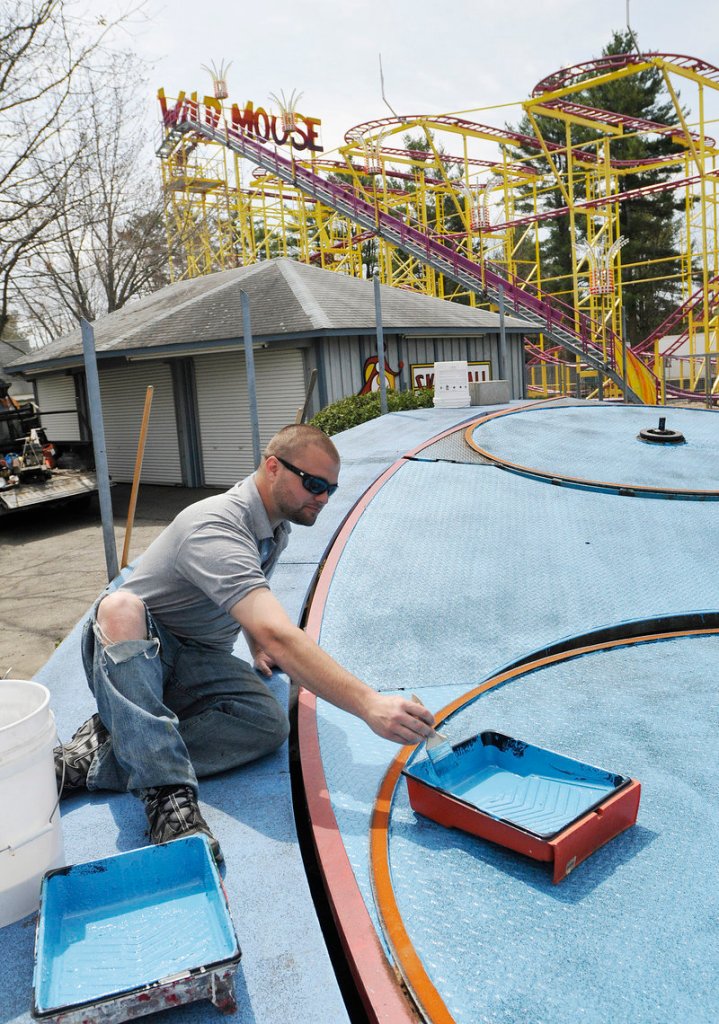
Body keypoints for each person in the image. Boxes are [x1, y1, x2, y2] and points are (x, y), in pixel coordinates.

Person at [55, 424, 434, 861]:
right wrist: (369, 704)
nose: (324, 498)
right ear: (273, 467)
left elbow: (254, 605)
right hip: (139, 653)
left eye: (331, 489)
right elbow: (279, 630)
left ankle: (102, 749)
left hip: (196, 661)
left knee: (267, 724)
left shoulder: (274, 529)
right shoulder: (216, 525)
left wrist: (257, 642)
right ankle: (167, 795)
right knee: (121, 606)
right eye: (313, 484)